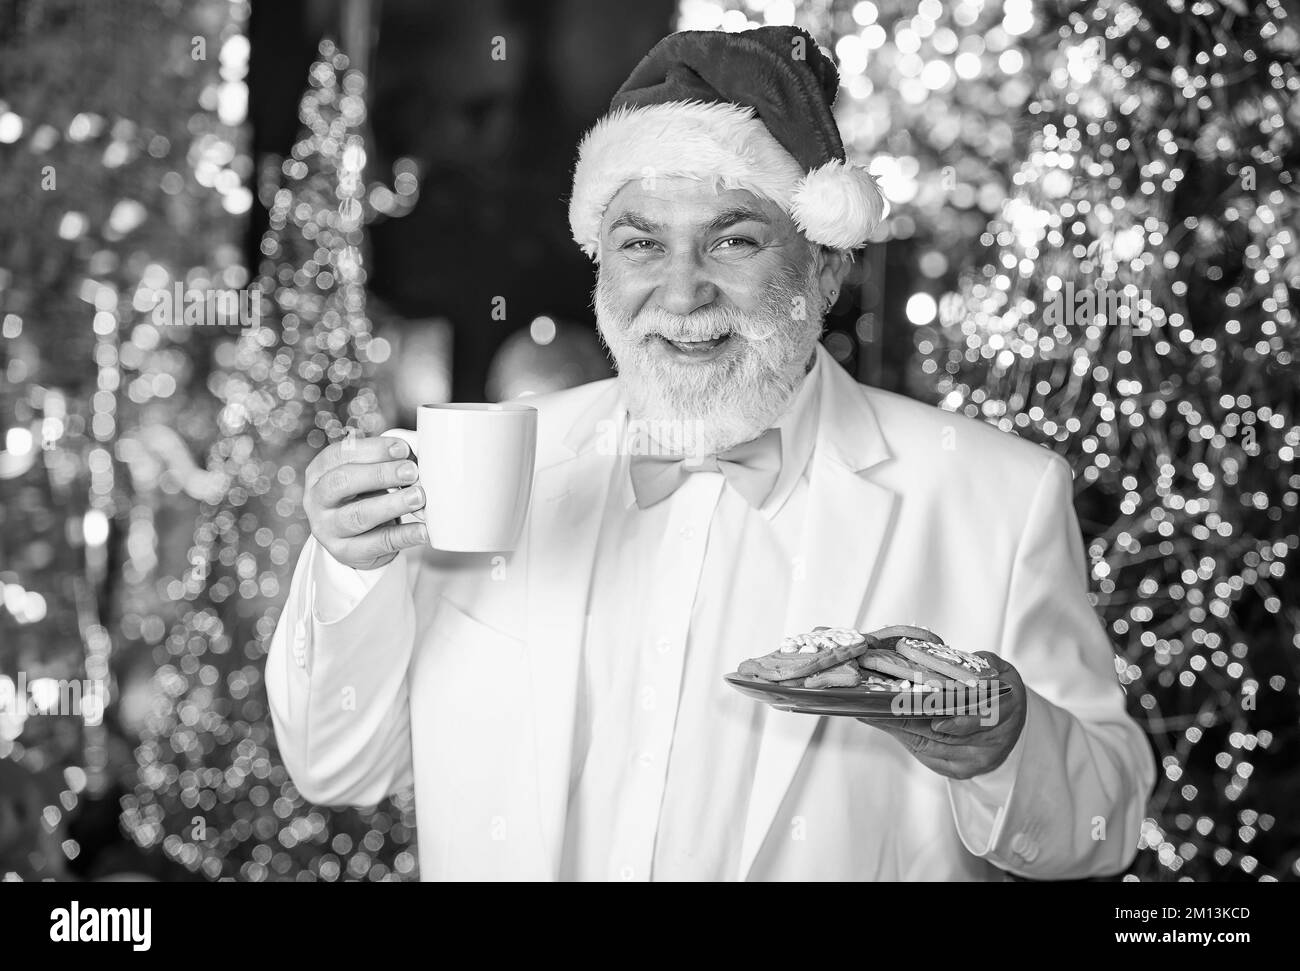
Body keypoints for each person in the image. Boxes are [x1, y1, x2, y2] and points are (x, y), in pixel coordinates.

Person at [267, 25, 1154, 881]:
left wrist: (1005, 746)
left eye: (734, 239)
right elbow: (337, 769)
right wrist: (351, 573)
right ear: (600, 267)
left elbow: (1102, 827)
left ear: (826, 270)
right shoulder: (490, 469)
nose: (683, 292)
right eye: (642, 243)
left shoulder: (998, 494)